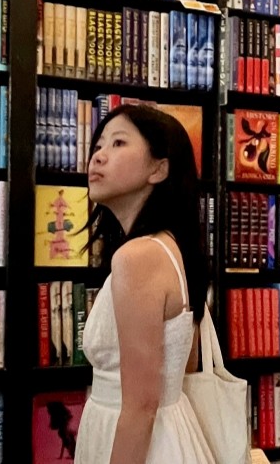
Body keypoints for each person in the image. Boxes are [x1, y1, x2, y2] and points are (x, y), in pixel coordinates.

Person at [74, 104, 213, 464]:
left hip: (142, 445)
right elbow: (183, 363)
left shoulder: (138, 257)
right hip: (170, 434)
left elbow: (141, 406)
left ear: (159, 168)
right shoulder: (170, 248)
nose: (99, 157)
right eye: (99, 145)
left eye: (119, 143)